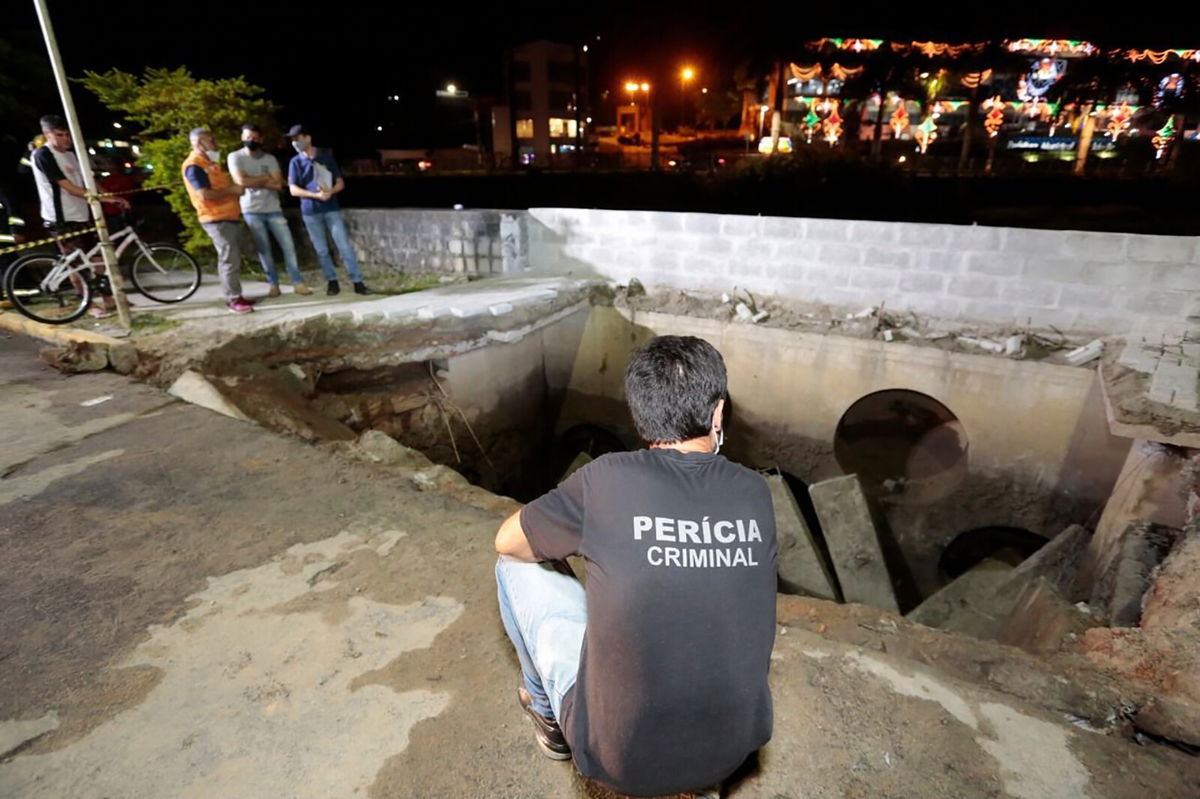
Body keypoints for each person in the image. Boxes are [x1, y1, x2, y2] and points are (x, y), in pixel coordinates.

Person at [494, 335, 778, 798]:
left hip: (616, 759)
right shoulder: (754, 492)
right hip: (732, 751)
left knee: (513, 565)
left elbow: (508, 540)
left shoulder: (607, 478)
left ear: (639, 413)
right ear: (718, 413)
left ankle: (549, 718)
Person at [31, 115, 130, 318]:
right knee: (76, 263)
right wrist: (102, 198)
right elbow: (66, 186)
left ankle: (109, 299)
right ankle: (87, 304)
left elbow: (88, 180)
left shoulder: (71, 155)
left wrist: (107, 196)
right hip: (61, 218)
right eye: (60, 135)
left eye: (68, 134)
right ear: (47, 135)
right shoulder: (43, 155)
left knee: (97, 258)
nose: (66, 139)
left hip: (82, 214)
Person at [285, 124, 372, 296]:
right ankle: (332, 282)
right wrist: (314, 195)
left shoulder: (326, 156)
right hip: (310, 211)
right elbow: (293, 189)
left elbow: (340, 182)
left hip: (331, 208)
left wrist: (330, 191)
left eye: (297, 138)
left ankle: (358, 282)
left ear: (307, 138)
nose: (295, 142)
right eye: (292, 140)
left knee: (344, 246)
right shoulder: (295, 162)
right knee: (321, 250)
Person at [228, 124, 311, 297]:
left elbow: (278, 184)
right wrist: (266, 178)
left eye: (255, 138)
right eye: (249, 137)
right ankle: (273, 285)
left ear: (261, 139)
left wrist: (254, 180)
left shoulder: (270, 158)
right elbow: (241, 181)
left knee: (288, 246)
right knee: (264, 250)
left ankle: (297, 283)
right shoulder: (235, 157)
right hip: (251, 210)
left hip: (274, 209)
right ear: (243, 138)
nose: (252, 140)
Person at [181, 127, 254, 314]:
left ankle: (236, 294)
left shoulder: (209, 162)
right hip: (215, 218)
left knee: (232, 258)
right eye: (211, 140)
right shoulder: (194, 166)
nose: (216, 144)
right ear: (199, 143)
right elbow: (204, 194)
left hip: (227, 216)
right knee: (229, 259)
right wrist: (232, 190)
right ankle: (233, 299)